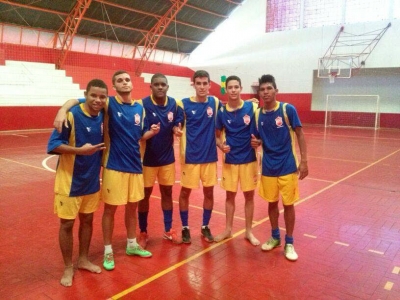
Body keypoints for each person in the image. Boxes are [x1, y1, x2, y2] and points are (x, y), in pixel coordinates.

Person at [54, 70, 160, 271]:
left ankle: (131, 244)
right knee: (110, 209)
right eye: (119, 80)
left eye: (127, 79)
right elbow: (78, 101)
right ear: (114, 86)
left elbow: (139, 135)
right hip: (114, 165)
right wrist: (62, 110)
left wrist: (151, 132)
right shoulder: (108, 103)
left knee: (132, 207)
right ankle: (108, 250)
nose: (125, 82)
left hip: (136, 166)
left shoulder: (140, 107)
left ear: (131, 83)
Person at [47, 79, 108, 286]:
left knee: (88, 221)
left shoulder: (103, 114)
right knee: (67, 224)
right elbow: (54, 145)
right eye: (93, 95)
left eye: (102, 97)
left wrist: (65, 104)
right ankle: (67, 267)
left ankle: (83, 259)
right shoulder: (72, 115)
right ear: (86, 94)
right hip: (69, 181)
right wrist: (80, 151)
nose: (97, 100)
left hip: (91, 181)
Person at [251, 74, 308, 261]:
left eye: (269, 88)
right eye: (262, 89)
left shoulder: (287, 109)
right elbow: (258, 138)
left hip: (288, 165)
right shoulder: (258, 113)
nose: (266, 92)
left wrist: (304, 161)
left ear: (276, 90)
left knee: (288, 204)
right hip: (268, 167)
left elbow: (300, 134)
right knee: (271, 202)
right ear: (259, 92)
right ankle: (275, 237)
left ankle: (289, 242)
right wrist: (256, 142)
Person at [137, 73, 184, 248]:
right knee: (144, 196)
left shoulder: (174, 104)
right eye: (156, 84)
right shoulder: (142, 104)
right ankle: (143, 231)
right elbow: (138, 130)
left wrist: (177, 129)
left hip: (167, 159)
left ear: (167, 86)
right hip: (147, 159)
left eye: (163, 84)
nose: (160, 87)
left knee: (167, 193)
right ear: (151, 86)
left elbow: (178, 122)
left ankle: (168, 229)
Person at [175, 70, 222, 243]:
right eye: (198, 83)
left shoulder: (215, 102)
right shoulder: (183, 104)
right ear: (193, 84)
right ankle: (185, 228)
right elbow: (176, 123)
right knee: (185, 192)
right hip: (190, 157)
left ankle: (205, 226)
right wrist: (176, 129)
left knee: (209, 192)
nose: (202, 87)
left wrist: (251, 104)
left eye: (205, 83)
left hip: (210, 157)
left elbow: (230, 113)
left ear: (210, 85)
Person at [214, 75, 260, 246]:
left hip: (249, 159)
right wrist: (220, 146)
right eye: (230, 87)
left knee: (249, 196)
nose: (233, 90)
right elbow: (217, 136)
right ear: (226, 89)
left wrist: (259, 141)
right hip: (230, 160)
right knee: (230, 196)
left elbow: (261, 131)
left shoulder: (252, 107)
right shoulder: (221, 113)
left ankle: (248, 231)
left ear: (241, 88)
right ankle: (227, 230)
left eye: (236, 87)